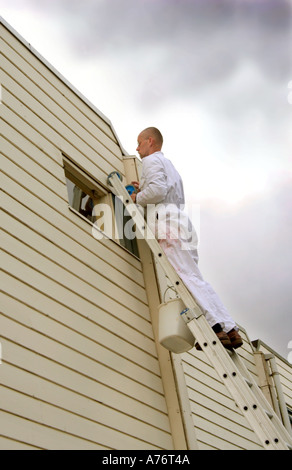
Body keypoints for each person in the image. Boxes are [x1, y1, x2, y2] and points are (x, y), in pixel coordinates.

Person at [131, 127, 243, 350]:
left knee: (185, 276)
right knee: (196, 277)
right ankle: (230, 329)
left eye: (139, 143)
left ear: (150, 141)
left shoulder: (150, 161)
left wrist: (137, 197)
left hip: (167, 223)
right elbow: (163, 189)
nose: (137, 148)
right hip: (181, 223)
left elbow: (157, 192)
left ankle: (214, 326)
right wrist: (143, 187)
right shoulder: (169, 166)